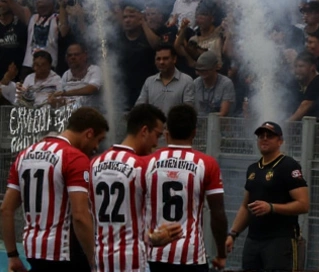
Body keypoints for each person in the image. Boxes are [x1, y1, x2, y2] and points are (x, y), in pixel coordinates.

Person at [2, 107, 110, 272]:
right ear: (89, 133)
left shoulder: (24, 155)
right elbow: (80, 216)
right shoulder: (74, 157)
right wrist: (94, 261)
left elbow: (5, 209)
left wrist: (12, 256)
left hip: (32, 249)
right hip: (65, 252)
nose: (96, 147)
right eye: (98, 140)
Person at [91, 104, 182, 272]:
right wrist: (155, 237)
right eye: (157, 135)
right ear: (145, 130)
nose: (156, 143)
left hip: (100, 259)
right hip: (132, 260)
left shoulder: (95, 163)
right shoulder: (143, 166)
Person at [146, 104, 228, 272]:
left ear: (167, 132)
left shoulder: (148, 161)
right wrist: (221, 254)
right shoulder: (207, 164)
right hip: (190, 255)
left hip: (153, 253)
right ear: (194, 133)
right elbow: (218, 213)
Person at [225, 122, 311, 272]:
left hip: (280, 240)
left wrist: (271, 207)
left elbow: (303, 204)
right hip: (253, 240)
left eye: (270, 136)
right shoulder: (253, 169)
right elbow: (246, 206)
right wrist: (233, 234)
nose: (264, 139)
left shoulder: (288, 165)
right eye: (261, 136)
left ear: (280, 141)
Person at [136, 43, 196, 114]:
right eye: (158, 59)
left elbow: (189, 111)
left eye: (165, 58)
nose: (161, 62)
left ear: (174, 59)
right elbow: (139, 107)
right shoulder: (149, 82)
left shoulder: (186, 81)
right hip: (154, 124)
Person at [286, 52, 319, 122]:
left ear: (312, 67)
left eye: (301, 66)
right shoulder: (299, 85)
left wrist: (286, 124)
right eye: (296, 66)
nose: (297, 70)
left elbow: (305, 105)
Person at [54, 43, 102, 111]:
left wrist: (66, 93)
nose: (72, 57)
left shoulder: (94, 70)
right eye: (69, 55)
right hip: (70, 112)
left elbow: (91, 89)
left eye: (76, 54)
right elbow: (60, 95)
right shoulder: (66, 74)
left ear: (85, 56)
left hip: (91, 112)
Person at [192, 51, 236, 117]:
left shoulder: (226, 84)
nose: (203, 72)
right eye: (200, 70)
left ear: (215, 67)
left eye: (206, 70)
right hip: (199, 123)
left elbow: (224, 113)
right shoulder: (195, 83)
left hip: (221, 124)